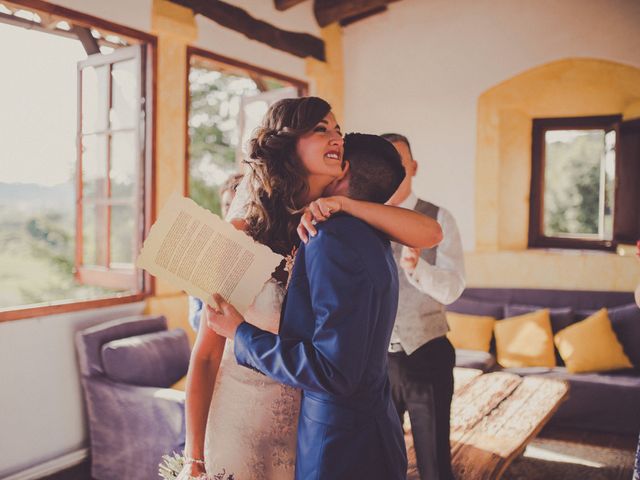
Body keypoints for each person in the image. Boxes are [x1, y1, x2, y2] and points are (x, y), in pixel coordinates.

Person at [177, 97, 443, 480]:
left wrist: (346, 205)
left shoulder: (335, 223)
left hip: (308, 424)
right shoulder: (240, 237)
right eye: (321, 129)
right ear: (286, 146)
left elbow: (430, 232)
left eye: (337, 129)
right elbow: (205, 357)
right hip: (244, 421)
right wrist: (193, 458)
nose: (336, 136)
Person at [381, 132, 466, 480]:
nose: (392, 172)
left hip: (426, 354)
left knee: (433, 463)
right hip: (377, 360)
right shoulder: (362, 219)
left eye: (399, 164)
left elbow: (453, 288)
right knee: (380, 458)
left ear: (413, 167)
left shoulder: (438, 218)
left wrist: (418, 268)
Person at [188, 172, 244, 333]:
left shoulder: (268, 251)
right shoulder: (203, 253)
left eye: (237, 205)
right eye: (227, 205)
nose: (232, 211)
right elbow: (194, 320)